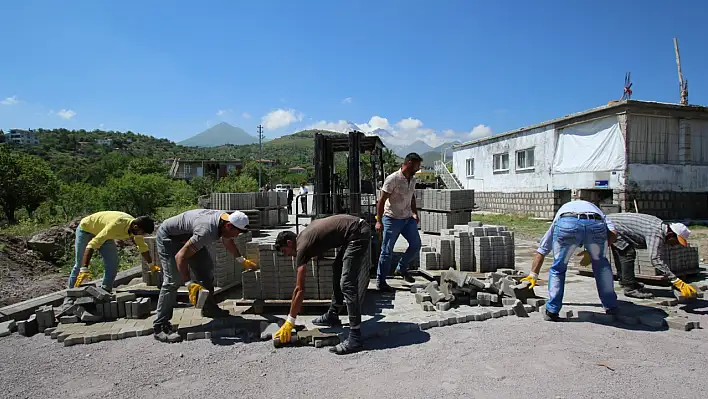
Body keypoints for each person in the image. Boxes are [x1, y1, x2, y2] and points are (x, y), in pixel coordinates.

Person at [153, 209, 258, 343]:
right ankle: (160, 326)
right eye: (236, 233)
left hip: (189, 236)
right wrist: (188, 283)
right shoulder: (206, 231)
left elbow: (227, 240)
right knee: (172, 280)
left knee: (205, 269)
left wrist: (241, 260)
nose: (237, 236)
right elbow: (181, 257)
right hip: (169, 238)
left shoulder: (225, 220)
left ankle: (209, 308)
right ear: (228, 226)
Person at [274, 214, 371, 355]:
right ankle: (333, 313)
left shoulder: (302, 247)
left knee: (347, 284)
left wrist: (290, 321)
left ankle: (355, 337)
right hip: (354, 229)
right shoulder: (304, 237)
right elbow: (323, 237)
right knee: (337, 268)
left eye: (285, 251)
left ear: (289, 243)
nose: (288, 255)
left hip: (357, 233)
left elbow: (299, 289)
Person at [521, 200, 619, 321]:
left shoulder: (561, 215)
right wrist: (595, 251)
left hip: (567, 223)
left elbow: (543, 249)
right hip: (595, 223)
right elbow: (613, 234)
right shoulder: (599, 213)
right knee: (602, 267)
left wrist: (533, 274)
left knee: (558, 268)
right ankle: (611, 306)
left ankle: (552, 310)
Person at [65, 211, 156, 306]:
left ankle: (105, 292)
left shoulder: (135, 229)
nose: (143, 235)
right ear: (136, 227)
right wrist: (84, 268)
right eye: (143, 232)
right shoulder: (116, 225)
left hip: (104, 233)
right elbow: (92, 244)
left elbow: (142, 247)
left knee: (113, 262)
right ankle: (70, 297)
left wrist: (151, 265)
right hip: (86, 229)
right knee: (79, 264)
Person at [603, 212, 697, 300]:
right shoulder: (656, 233)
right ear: (671, 235)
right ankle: (629, 289)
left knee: (622, 251)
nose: (675, 245)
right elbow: (655, 259)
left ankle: (626, 281)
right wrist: (675, 280)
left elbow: (659, 256)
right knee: (628, 253)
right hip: (612, 225)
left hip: (612, 223)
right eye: (676, 242)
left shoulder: (660, 227)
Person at [375, 152, 423, 290]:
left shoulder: (413, 179)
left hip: (407, 219)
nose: (418, 168)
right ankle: (381, 282)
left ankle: (401, 268)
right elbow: (381, 200)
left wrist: (415, 213)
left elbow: (412, 197)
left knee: (415, 245)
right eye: (417, 165)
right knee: (387, 251)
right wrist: (379, 221)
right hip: (391, 219)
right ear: (409, 163)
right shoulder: (393, 179)